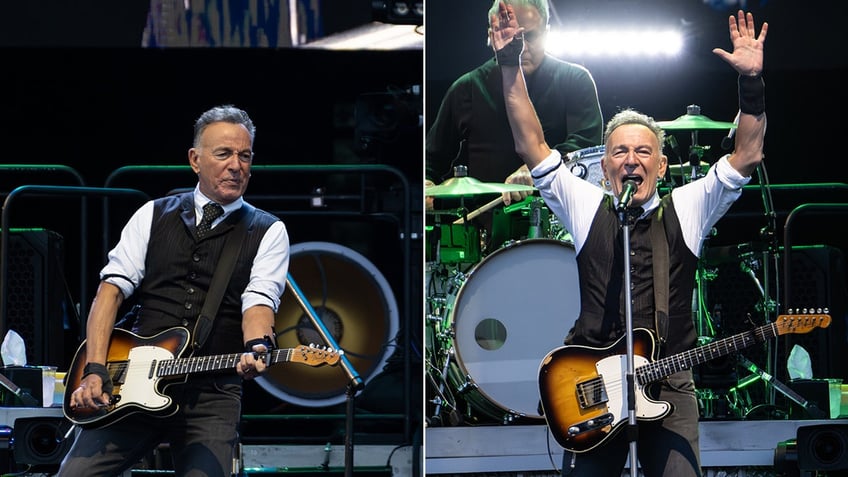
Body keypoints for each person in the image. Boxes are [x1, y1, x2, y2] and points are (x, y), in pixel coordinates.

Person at [492, 3, 766, 476]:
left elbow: (747, 153)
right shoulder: (586, 205)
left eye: (644, 151)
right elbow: (530, 144)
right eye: (620, 151)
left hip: (669, 382)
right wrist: (508, 64)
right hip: (592, 385)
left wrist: (751, 82)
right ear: (605, 166)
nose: (631, 159)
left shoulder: (688, 205)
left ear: (661, 166)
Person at [58, 104, 290, 476]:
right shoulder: (153, 214)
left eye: (244, 156)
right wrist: (96, 369)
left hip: (212, 393)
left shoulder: (267, 230)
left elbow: (260, 300)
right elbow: (110, 292)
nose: (236, 165)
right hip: (132, 383)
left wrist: (257, 347)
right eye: (224, 154)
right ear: (195, 160)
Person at [425, 0, 603, 250]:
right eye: (511, 38)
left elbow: (586, 148)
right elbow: (430, 160)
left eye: (529, 36)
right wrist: (427, 184)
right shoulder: (466, 89)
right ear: (492, 35)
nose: (521, 48)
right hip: (484, 236)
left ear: (548, 32)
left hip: (560, 227)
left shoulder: (575, 80)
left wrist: (537, 168)